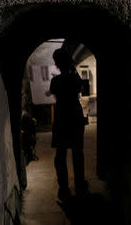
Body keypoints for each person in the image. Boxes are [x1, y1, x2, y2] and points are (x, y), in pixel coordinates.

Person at [49, 48, 88, 201]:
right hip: (75, 116)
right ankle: (79, 183)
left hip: (61, 117)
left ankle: (63, 186)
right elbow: (81, 87)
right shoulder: (75, 79)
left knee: (61, 154)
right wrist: (73, 69)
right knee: (78, 152)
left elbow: (54, 91)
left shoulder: (56, 81)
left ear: (58, 63)